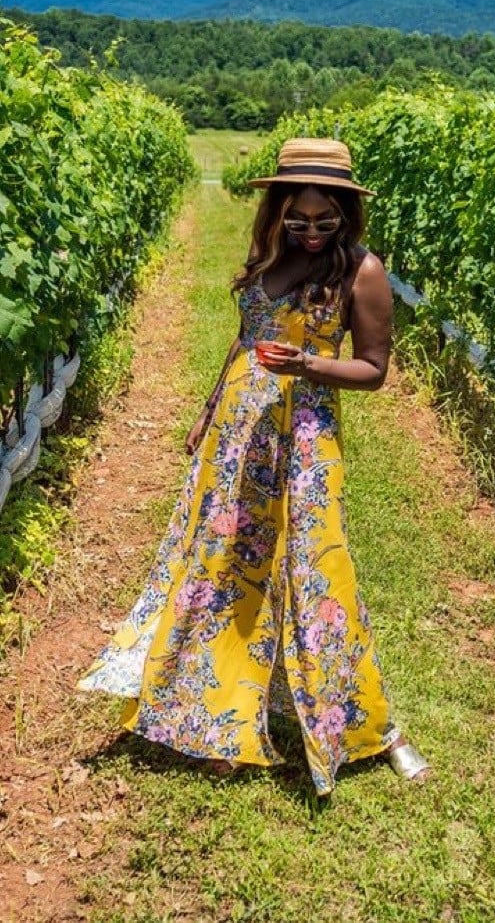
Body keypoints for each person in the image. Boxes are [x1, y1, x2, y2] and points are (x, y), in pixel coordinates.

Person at [78, 138, 430, 795]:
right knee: (224, 564)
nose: (313, 230)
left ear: (348, 212)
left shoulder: (363, 271)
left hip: (305, 438)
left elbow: (376, 370)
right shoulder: (266, 259)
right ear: (277, 211)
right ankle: (223, 716)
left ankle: (372, 727)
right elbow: (243, 342)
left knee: (315, 569)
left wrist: (310, 366)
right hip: (240, 434)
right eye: (299, 218)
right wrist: (208, 413)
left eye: (327, 219)